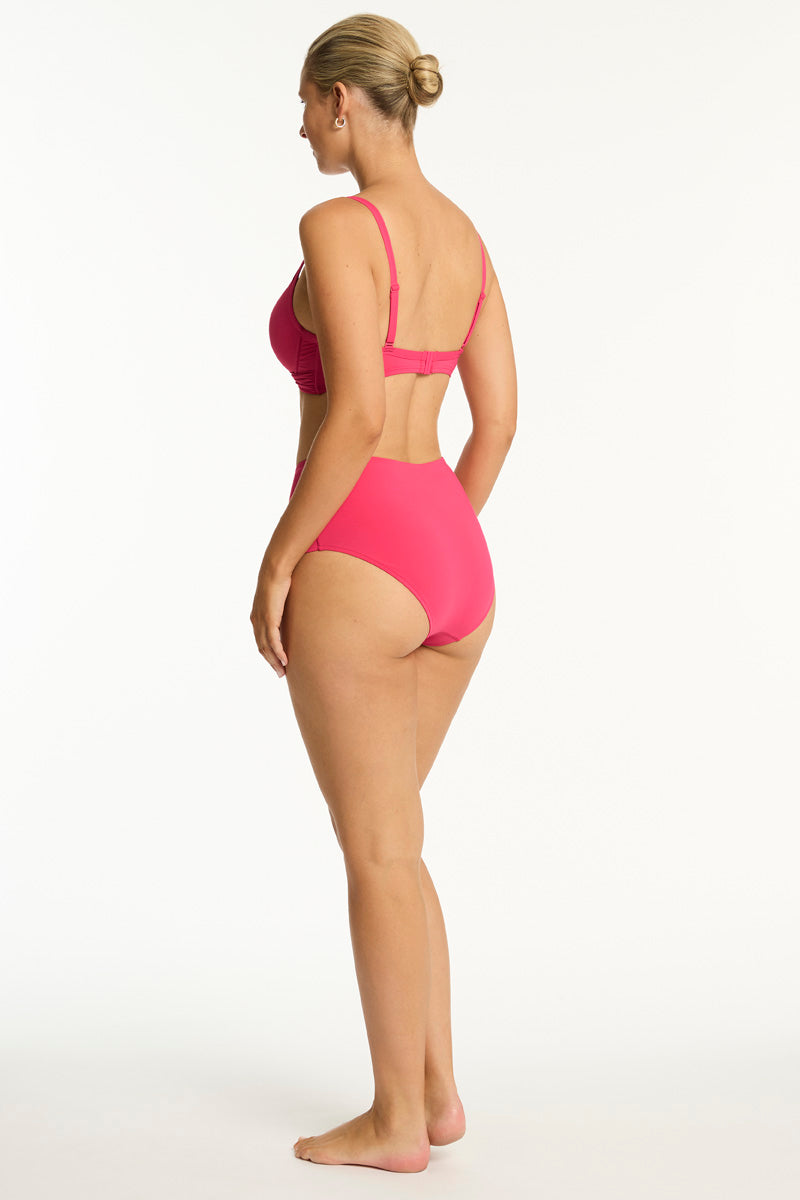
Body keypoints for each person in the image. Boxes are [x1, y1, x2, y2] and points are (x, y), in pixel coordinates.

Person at [251, 13, 517, 1173]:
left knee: (373, 848)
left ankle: (395, 1121)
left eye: (304, 106)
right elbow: (497, 422)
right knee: (398, 839)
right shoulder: (463, 235)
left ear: (339, 99)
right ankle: (438, 1093)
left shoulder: (335, 226)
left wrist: (280, 560)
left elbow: (355, 413)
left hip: (358, 547)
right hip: (452, 554)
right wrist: (438, 537)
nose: (301, 128)